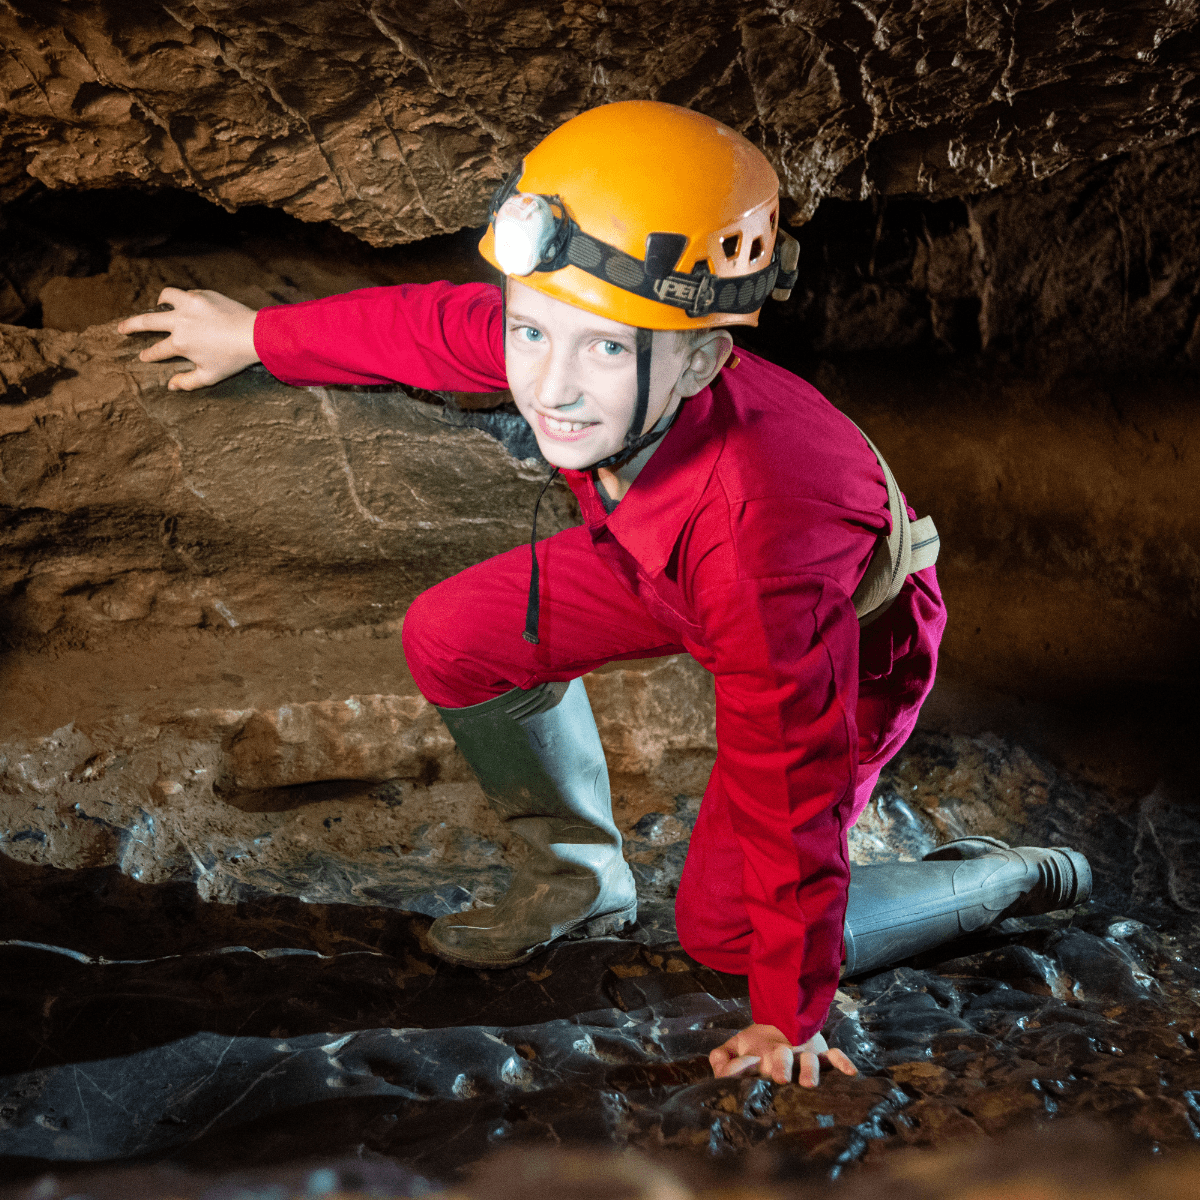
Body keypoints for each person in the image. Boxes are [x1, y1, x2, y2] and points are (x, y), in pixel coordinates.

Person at [118, 101, 1090, 1090]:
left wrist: (787, 1017)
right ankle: (577, 885)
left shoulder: (764, 548)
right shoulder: (581, 358)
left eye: (608, 350)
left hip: (846, 628)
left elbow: (789, 793)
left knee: (724, 935)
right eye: (534, 331)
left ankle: (1003, 878)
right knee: (453, 636)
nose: (552, 388)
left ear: (705, 358)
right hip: (657, 556)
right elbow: (431, 326)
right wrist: (255, 334)